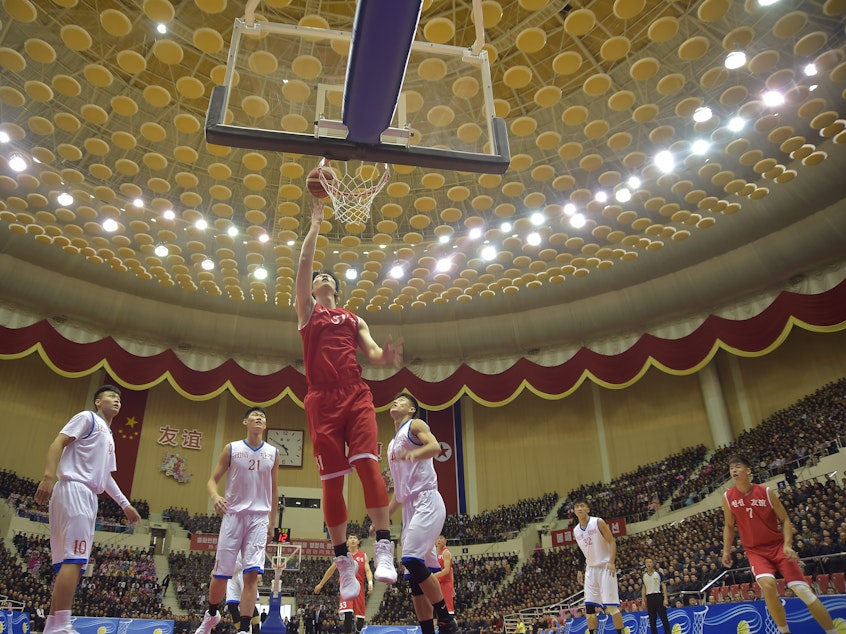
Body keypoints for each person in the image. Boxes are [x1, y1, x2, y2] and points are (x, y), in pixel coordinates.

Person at [295, 199, 402, 598]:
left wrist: (385, 358)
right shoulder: (307, 313)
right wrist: (316, 224)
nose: (320, 278)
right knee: (332, 481)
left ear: (336, 289)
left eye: (327, 278)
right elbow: (305, 263)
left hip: (356, 394)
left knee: (368, 467)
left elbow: (371, 351)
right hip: (321, 400)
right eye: (317, 277)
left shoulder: (354, 318)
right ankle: (342, 561)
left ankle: (385, 548)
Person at [35, 384, 141, 634]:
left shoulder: (109, 435)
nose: (117, 400)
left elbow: (105, 477)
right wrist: (48, 476)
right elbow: (58, 442)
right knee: (75, 559)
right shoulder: (88, 418)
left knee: (67, 564)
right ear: (97, 401)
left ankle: (52, 625)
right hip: (76, 490)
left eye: (119, 398)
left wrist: (124, 504)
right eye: (111, 396)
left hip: (80, 493)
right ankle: (62, 623)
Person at [722, 454, 838, 634]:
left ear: (749, 470)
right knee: (767, 585)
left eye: (738, 466)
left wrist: (788, 545)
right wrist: (726, 551)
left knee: (804, 592)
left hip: (777, 547)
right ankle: (784, 631)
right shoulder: (728, 497)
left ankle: (832, 631)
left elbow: (785, 520)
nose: (734, 470)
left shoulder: (766, 492)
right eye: (731, 468)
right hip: (755, 551)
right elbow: (729, 526)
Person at [194, 407, 279, 634]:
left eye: (263, 416)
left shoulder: (273, 452)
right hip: (234, 516)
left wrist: (272, 522)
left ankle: (243, 629)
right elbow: (212, 481)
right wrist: (215, 496)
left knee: (251, 574)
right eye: (255, 416)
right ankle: (212, 614)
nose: (259, 418)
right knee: (221, 574)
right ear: (245, 422)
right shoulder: (232, 449)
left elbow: (274, 491)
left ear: (265, 424)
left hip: (259, 518)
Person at [387, 392, 459, 634]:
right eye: (395, 399)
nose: (395, 401)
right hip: (409, 507)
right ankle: (429, 630)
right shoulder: (391, 444)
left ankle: (447, 620)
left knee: (410, 559)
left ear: (411, 410)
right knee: (414, 581)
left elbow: (435, 446)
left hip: (427, 499)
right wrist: (383, 517)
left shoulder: (414, 425)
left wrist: (413, 454)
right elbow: (399, 492)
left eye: (402, 400)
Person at [572, 500, 625, 634]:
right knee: (589, 607)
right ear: (574, 511)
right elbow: (581, 551)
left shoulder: (597, 522)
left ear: (587, 509)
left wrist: (611, 562)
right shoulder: (576, 530)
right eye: (577, 507)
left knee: (611, 607)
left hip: (605, 567)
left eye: (582, 506)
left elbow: (612, 541)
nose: (579, 509)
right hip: (590, 569)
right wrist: (580, 569)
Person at [314, 535, 373, 634]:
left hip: (359, 588)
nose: (353, 539)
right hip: (346, 587)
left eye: (355, 538)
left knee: (360, 619)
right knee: (348, 614)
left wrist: (370, 582)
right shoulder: (343, 556)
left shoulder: (363, 556)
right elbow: (331, 569)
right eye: (350, 538)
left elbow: (367, 570)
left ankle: (358, 632)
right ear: (347, 543)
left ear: (358, 542)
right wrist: (321, 584)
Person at [226, 554, 261, 634]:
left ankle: (256, 631)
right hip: (232, 571)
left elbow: (258, 547)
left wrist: (259, 570)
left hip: (245, 567)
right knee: (231, 605)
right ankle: (242, 631)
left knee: (249, 601)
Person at [641, 557, 670, 634]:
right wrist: (643, 600)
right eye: (647, 562)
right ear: (645, 564)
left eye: (650, 562)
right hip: (649, 598)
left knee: (663, 618)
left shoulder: (658, 573)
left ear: (653, 563)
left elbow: (663, 586)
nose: (649, 564)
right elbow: (644, 588)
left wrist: (665, 599)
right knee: (652, 620)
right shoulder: (644, 576)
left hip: (658, 596)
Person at [434, 535, 455, 616]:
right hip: (440, 583)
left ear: (445, 541)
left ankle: (452, 627)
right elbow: (451, 570)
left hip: (445, 583)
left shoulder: (446, 552)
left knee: (448, 608)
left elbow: (447, 570)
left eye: (441, 538)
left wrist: (433, 576)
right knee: (441, 607)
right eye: (437, 538)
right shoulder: (439, 553)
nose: (439, 540)